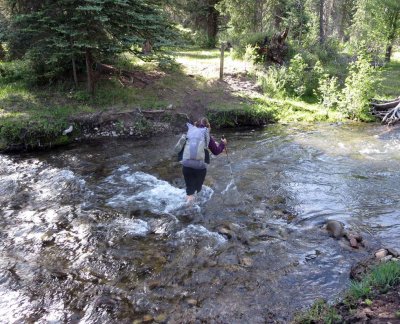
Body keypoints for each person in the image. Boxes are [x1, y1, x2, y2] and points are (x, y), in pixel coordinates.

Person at [174, 117, 227, 204]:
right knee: (197, 189)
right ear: (207, 126)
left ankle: (187, 207)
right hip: (200, 167)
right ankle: (193, 207)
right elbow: (216, 151)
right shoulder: (206, 135)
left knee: (189, 190)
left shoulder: (189, 133)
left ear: (195, 124)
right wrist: (222, 144)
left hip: (186, 165)